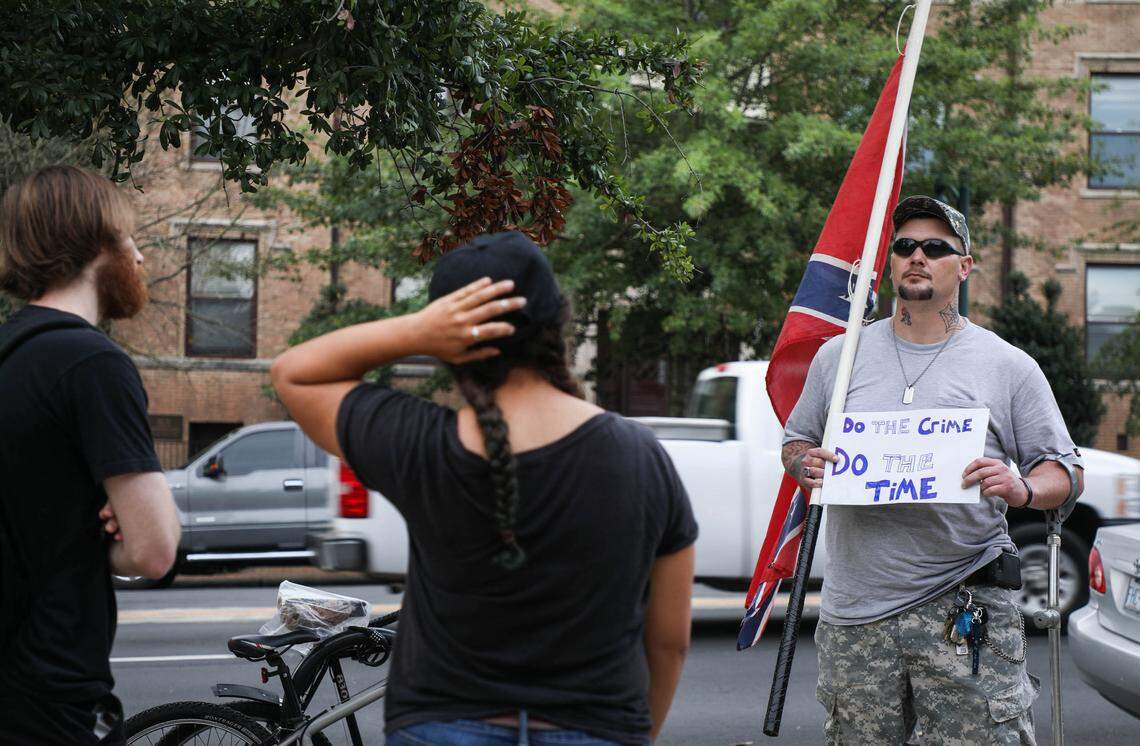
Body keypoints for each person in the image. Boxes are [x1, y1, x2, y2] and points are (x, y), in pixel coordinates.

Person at [272, 231, 697, 746]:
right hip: (597, 727)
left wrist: (415, 332)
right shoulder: (640, 455)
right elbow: (669, 642)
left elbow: (294, 374)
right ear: (556, 322)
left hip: (437, 726)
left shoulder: (419, 444)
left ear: (449, 342)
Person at [782, 196, 1084, 744]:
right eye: (904, 246)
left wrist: (1021, 488)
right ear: (890, 261)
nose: (917, 256)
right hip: (855, 617)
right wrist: (806, 463)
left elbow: (1064, 472)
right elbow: (796, 442)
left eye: (936, 247)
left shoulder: (1007, 365)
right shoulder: (839, 357)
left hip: (964, 606)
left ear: (964, 266)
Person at [0, 166, 181, 745]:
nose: (140, 258)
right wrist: (120, 531)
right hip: (49, 694)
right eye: (130, 239)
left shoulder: (10, 354)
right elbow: (154, 551)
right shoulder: (91, 364)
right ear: (98, 244)